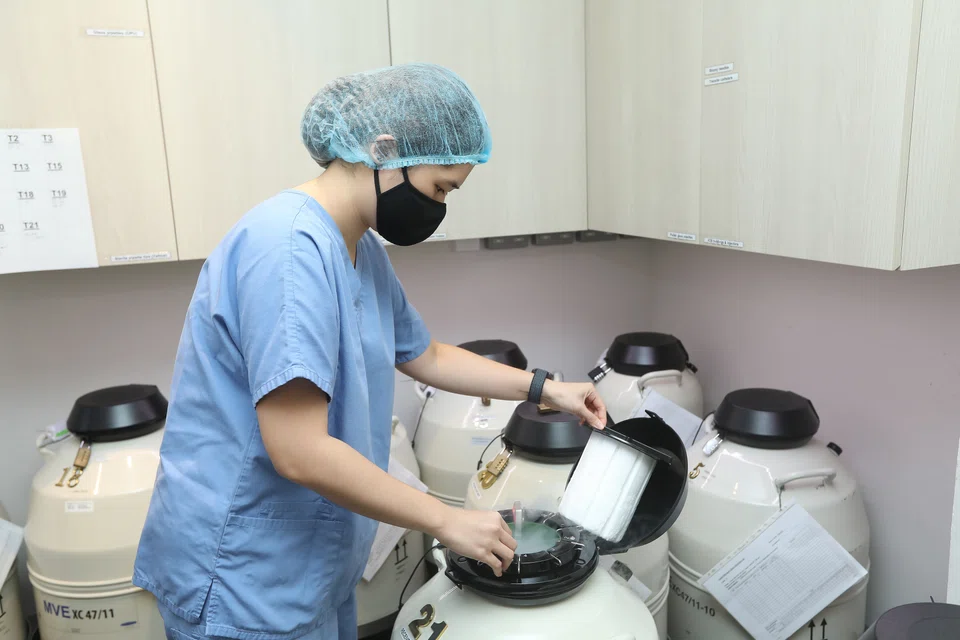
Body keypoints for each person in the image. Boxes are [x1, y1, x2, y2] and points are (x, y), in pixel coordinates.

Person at [132, 63, 606, 640]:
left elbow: (424, 354)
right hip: (243, 576)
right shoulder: (287, 251)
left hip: (309, 566)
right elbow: (298, 451)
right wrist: (446, 521)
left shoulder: (359, 248)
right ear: (384, 150)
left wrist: (546, 387)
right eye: (439, 189)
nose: (437, 208)